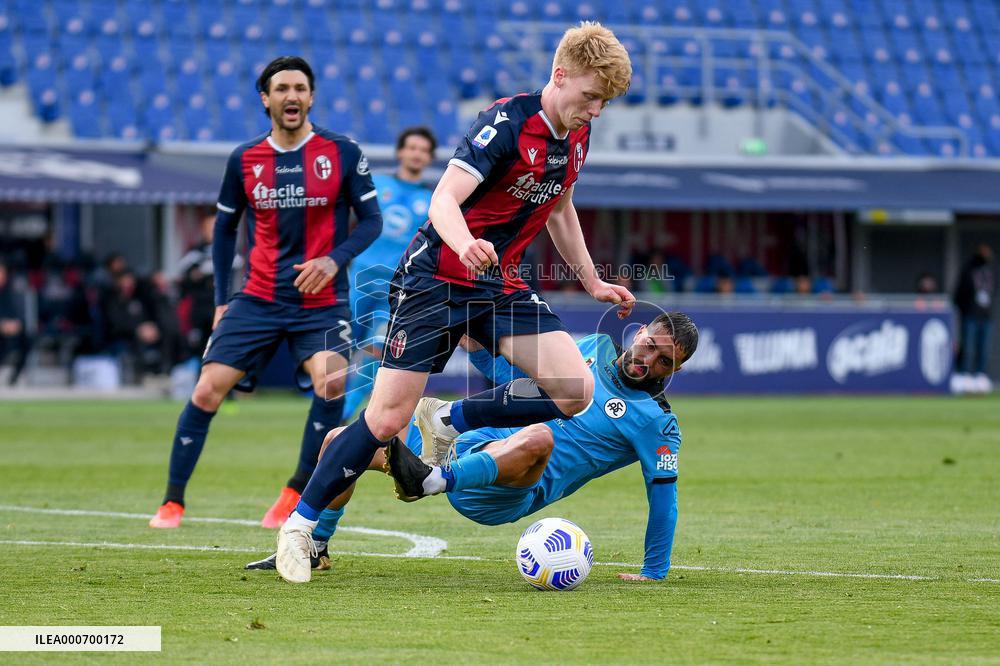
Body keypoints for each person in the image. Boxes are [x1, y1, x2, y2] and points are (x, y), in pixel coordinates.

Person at [275, 22, 636, 582]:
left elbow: (560, 210)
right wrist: (465, 242)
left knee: (574, 389)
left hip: (498, 283)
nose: (596, 110)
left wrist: (592, 282)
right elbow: (445, 198)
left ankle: (449, 417)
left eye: (605, 103)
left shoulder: (576, 137)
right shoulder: (506, 124)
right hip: (437, 280)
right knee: (386, 418)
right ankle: (299, 527)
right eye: (591, 96)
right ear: (560, 76)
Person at [249, 312, 697, 584]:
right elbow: (517, 383)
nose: (650, 361)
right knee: (340, 441)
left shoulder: (657, 422)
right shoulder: (591, 348)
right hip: (470, 444)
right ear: (640, 331)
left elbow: (665, 499)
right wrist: (477, 345)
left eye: (665, 362)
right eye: (651, 345)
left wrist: (654, 571)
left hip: (509, 487)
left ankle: (431, 479)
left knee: (539, 437)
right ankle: (316, 546)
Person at [149, 56, 383, 529]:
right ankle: (172, 501)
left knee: (333, 381)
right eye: (281, 89)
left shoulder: (342, 151)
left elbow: (372, 221)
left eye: (299, 88)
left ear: (311, 96)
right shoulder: (245, 159)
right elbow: (223, 231)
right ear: (266, 98)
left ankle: (295, 491)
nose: (291, 96)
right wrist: (220, 301)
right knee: (208, 389)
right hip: (257, 298)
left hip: (320, 301)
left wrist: (333, 259)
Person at [342, 127, 437, 423]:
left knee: (378, 348)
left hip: (396, 288)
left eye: (423, 150)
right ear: (400, 152)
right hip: (358, 280)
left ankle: (344, 415)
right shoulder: (376, 184)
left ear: (429, 157)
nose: (417, 154)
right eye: (412, 148)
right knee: (337, 349)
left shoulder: (434, 199)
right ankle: (325, 413)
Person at [952, 244, 995, 394]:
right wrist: (965, 310)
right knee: (968, 347)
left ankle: (980, 375)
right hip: (970, 315)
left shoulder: (989, 271)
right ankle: (964, 375)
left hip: (986, 316)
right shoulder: (968, 269)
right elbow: (958, 294)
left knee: (983, 348)